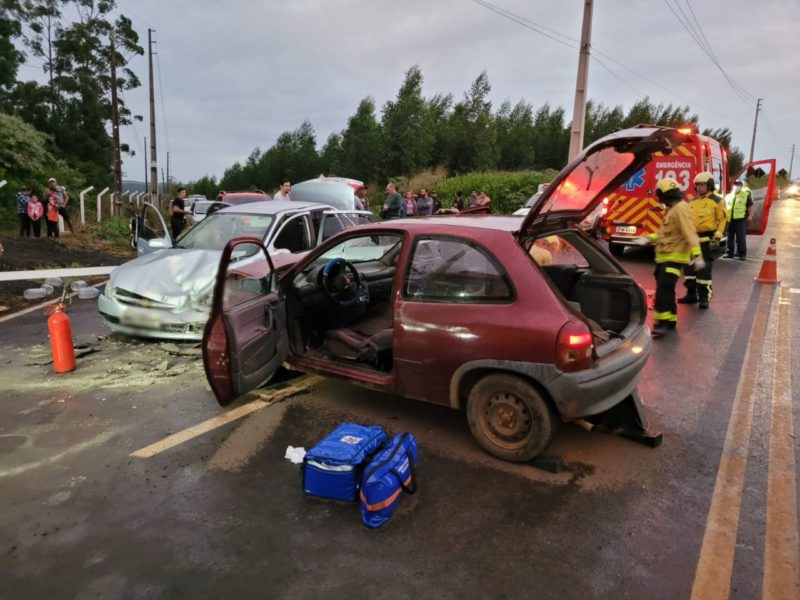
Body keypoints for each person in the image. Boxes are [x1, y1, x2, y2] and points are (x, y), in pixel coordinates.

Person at [647, 177, 702, 338]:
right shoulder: (671, 209)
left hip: (674, 258)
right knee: (667, 290)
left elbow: (689, 231)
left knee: (663, 289)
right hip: (665, 257)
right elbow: (662, 234)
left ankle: (661, 324)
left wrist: (697, 254)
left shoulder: (680, 208)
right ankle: (670, 321)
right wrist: (648, 238)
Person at [678, 172, 727, 309]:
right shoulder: (692, 201)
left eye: (702, 185)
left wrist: (717, 236)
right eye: (697, 185)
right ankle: (691, 294)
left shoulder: (717, 201)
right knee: (689, 270)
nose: (699, 187)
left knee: (703, 271)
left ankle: (704, 298)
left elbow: (723, 219)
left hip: (706, 241)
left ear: (709, 185)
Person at [723, 178, 752, 260]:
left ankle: (742, 254)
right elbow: (724, 207)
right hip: (729, 219)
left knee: (741, 238)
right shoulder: (728, 196)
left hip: (740, 219)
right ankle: (729, 253)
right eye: (735, 184)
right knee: (729, 237)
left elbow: (750, 206)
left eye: (738, 184)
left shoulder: (745, 195)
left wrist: (750, 216)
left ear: (741, 186)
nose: (736, 186)